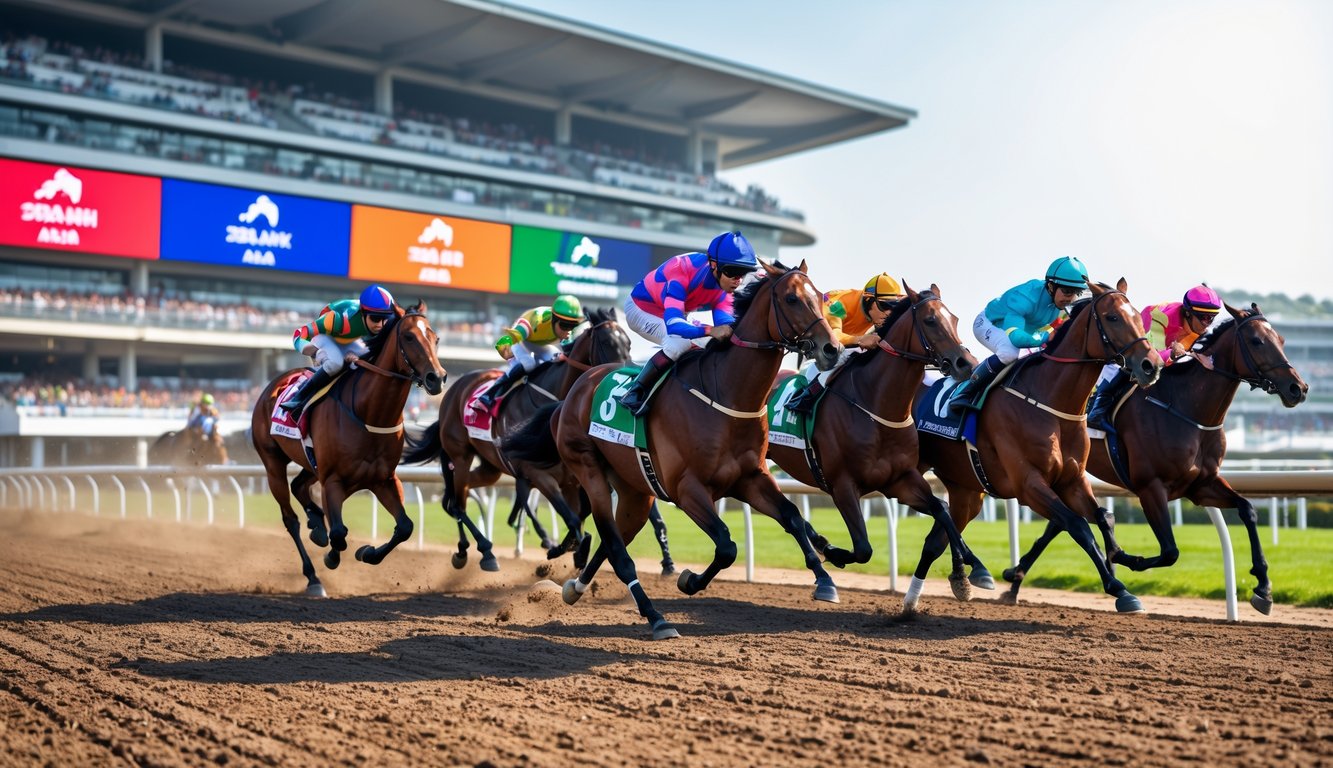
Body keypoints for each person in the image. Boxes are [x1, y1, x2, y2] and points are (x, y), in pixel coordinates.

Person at [615, 230, 758, 416]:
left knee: (711, 344)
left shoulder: (725, 287)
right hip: (641, 310)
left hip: (677, 313)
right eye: (733, 272)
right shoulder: (680, 271)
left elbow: (726, 327)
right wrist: (710, 330)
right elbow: (674, 325)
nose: (737, 280)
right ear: (714, 265)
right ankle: (636, 391)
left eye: (743, 273)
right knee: (678, 343)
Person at [949, 256, 1089, 413]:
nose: (1070, 298)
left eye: (1076, 292)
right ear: (1051, 286)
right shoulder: (1026, 297)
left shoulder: (1064, 305)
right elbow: (1016, 339)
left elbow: (1051, 331)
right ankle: (966, 391)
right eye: (1067, 291)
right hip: (989, 323)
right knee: (1010, 352)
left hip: (1026, 331)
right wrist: (1045, 339)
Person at [1086, 283, 1221, 431]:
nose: (1207, 323)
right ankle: (1097, 410)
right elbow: (1153, 357)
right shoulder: (1163, 318)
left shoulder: (1204, 328)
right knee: (1128, 366)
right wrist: (1172, 353)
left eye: (1212, 318)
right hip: (1144, 334)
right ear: (1188, 313)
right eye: (1203, 317)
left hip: (1168, 343)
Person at [785, 272, 905, 413]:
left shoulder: (874, 311)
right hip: (817, 345)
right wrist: (860, 339)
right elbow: (833, 336)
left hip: (842, 345)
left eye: (893, 306)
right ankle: (804, 397)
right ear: (868, 301)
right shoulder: (838, 305)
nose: (889, 313)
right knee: (845, 354)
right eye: (884, 306)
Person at [279, 284, 397, 420]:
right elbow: (299, 334)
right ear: (363, 313)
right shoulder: (339, 319)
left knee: (369, 361)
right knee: (335, 363)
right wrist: (310, 350)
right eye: (375, 318)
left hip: (349, 340)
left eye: (385, 319)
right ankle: (299, 397)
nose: (381, 325)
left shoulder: (385, 321)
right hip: (326, 337)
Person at [473, 294, 584, 411]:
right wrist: (506, 342)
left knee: (555, 359)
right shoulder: (537, 320)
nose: (568, 331)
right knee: (529, 363)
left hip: (540, 344)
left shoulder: (567, 332)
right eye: (565, 325)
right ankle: (488, 396)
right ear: (553, 319)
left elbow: (568, 353)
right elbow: (516, 335)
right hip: (522, 340)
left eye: (573, 326)